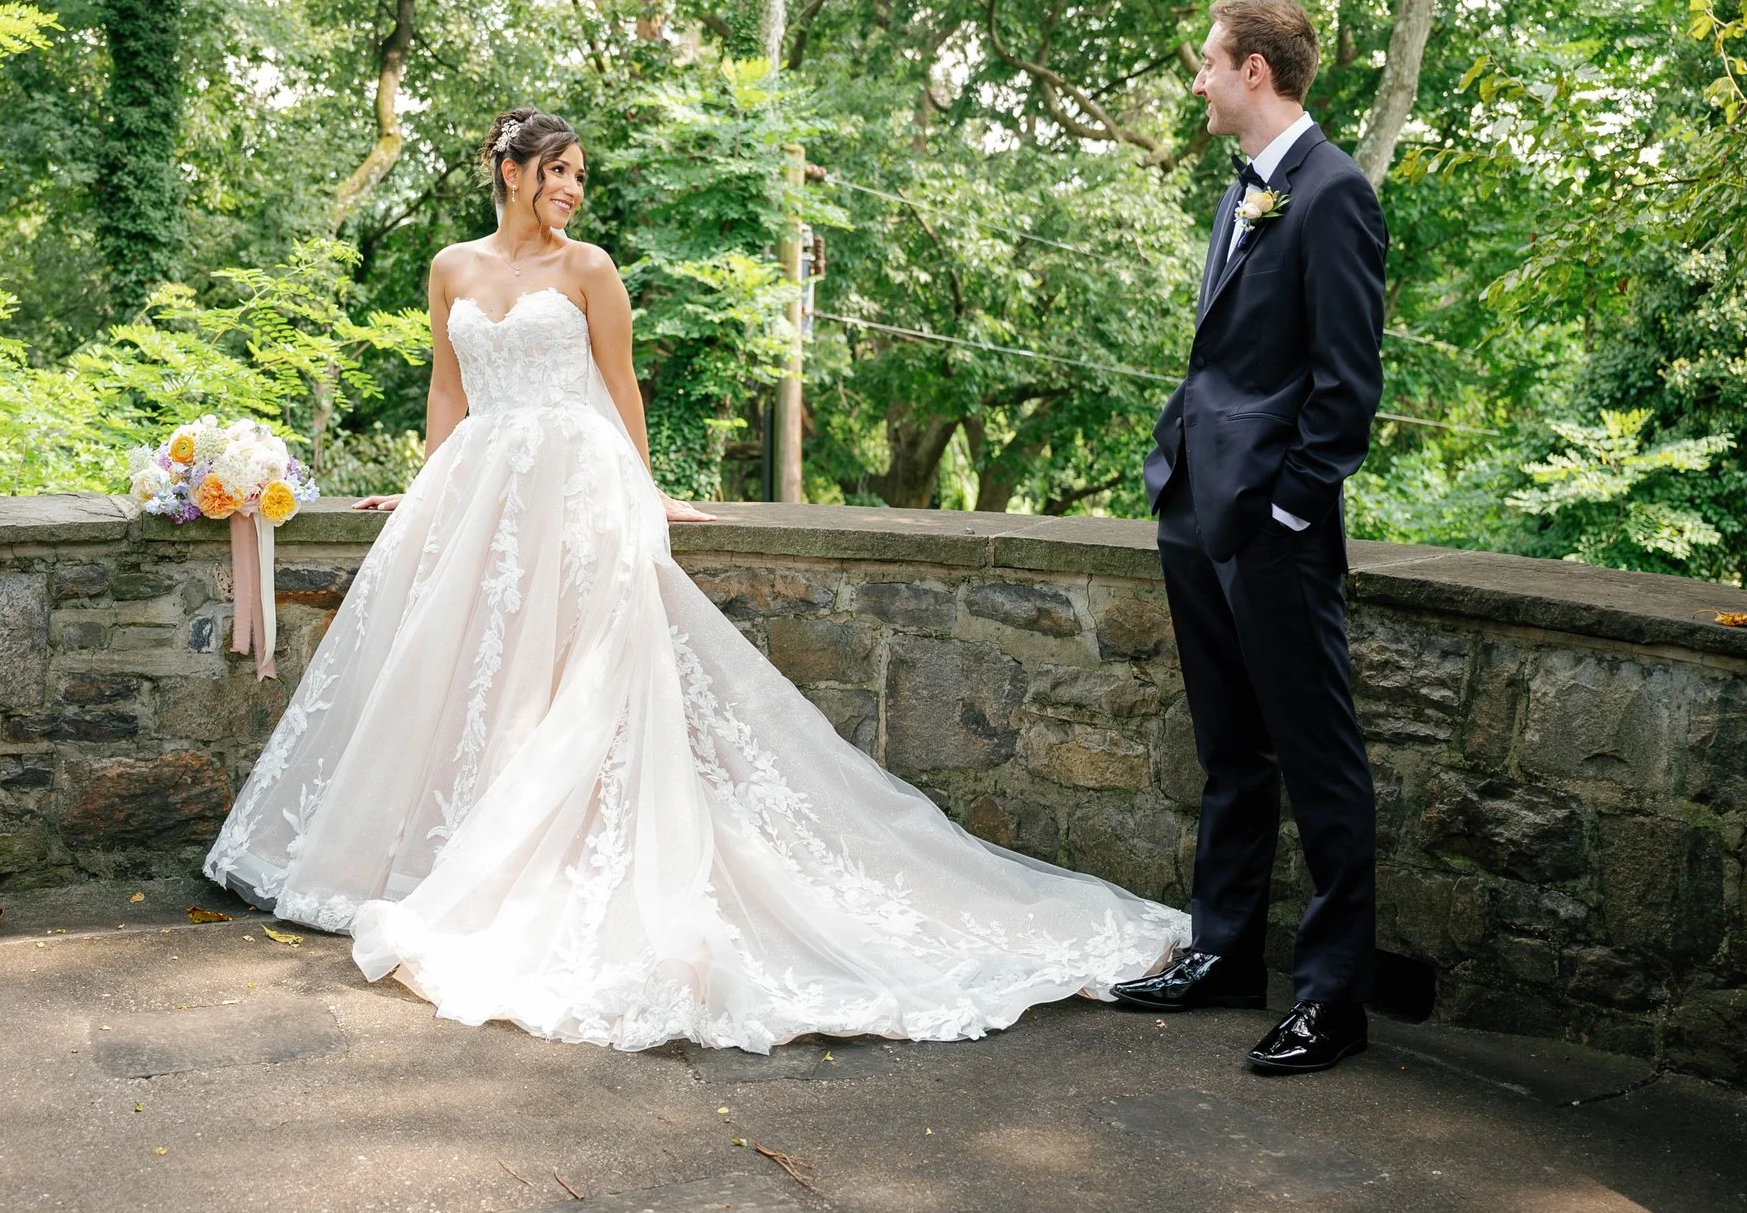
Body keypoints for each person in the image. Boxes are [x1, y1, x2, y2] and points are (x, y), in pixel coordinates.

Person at [202, 107, 1188, 1053]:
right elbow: (446, 388)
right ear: (511, 171)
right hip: (479, 497)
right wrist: (421, 486)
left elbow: (621, 385)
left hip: (577, 492)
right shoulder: (450, 266)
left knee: (577, 675)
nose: (574, 190)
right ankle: (455, 849)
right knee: (472, 674)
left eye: (581, 175)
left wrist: (647, 488)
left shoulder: (589, 269)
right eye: (559, 172)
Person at [1112, 0, 1388, 1077]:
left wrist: (1286, 506)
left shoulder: (1332, 196)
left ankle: (1332, 998)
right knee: (1231, 749)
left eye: (1209, 64)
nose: (1198, 82)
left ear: (1257, 71)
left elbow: (1346, 385)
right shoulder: (1245, 190)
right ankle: (1223, 953)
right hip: (1196, 505)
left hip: (1271, 525)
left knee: (1320, 765)